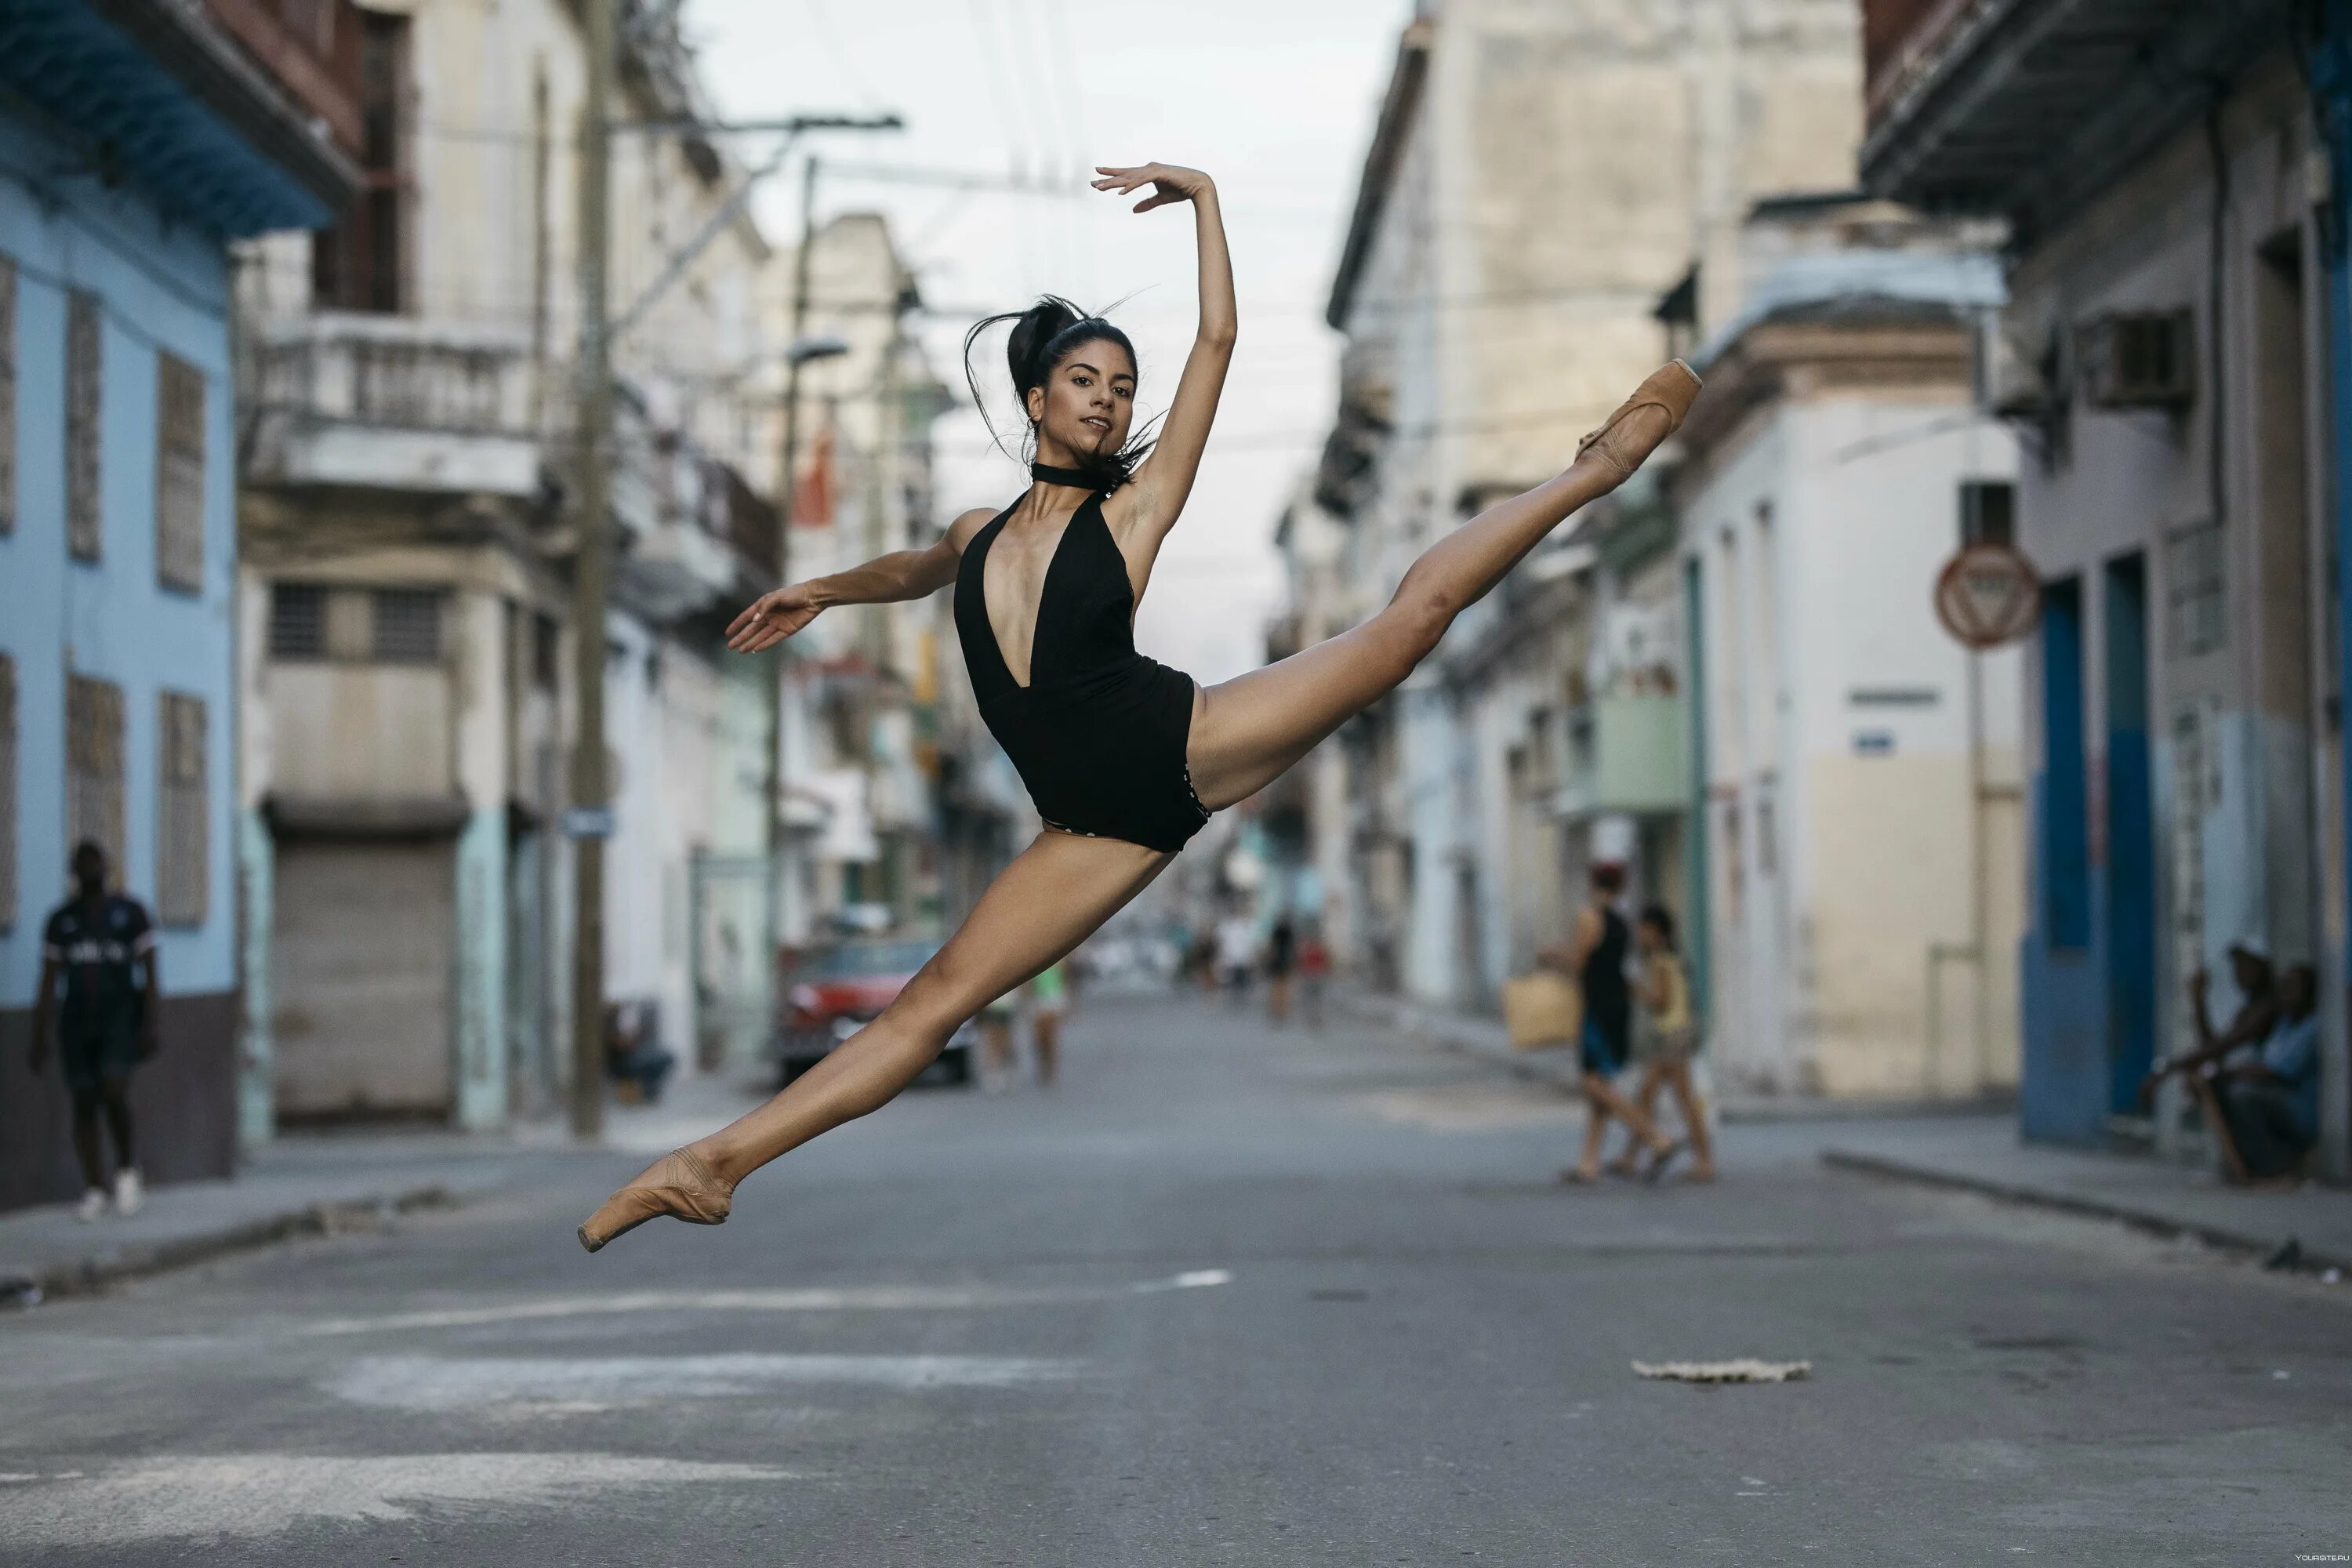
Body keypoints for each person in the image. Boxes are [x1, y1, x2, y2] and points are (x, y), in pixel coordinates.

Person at [578, 158, 1703, 1250]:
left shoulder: (1135, 514)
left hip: (1179, 743)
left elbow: (1217, 343)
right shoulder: (976, 533)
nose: (1110, 404)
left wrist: (1207, 199)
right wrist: (822, 588)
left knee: (1406, 629)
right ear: (1036, 398)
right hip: (1086, 826)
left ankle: (1587, 473)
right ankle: (711, 1166)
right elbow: (917, 567)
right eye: (1086, 383)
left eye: (1121, 390)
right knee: (925, 1011)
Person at [31, 843, 160, 1222]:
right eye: (82, 864)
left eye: (95, 863)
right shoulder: (62, 920)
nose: (90, 870)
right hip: (76, 1021)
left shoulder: (130, 914)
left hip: (119, 1017)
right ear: (73, 872)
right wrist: (40, 1033)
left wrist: (151, 1022)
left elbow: (150, 973)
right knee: (84, 1098)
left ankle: (125, 1169)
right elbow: (48, 980)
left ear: (107, 868)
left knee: (114, 1088)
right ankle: (93, 1186)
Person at [1541, 865, 1679, 1185]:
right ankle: (1588, 1163)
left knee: (1594, 1084)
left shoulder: (1589, 916)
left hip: (1599, 1008)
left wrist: (1550, 954)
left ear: (1593, 883)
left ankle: (1657, 1139)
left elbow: (1579, 960)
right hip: (1619, 1007)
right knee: (1599, 1085)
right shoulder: (1621, 922)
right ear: (1620, 888)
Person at [1606, 906, 1716, 1183]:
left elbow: (1661, 1001)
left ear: (1657, 932)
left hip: (1672, 1037)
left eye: (1645, 930)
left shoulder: (1660, 961)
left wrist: (1633, 990)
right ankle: (1632, 1155)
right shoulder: (1668, 958)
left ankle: (1704, 1160)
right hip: (1673, 1035)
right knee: (1647, 1095)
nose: (1641, 936)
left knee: (1683, 1099)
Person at [2186, 963, 2321, 1184]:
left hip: (2301, 1108)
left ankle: (2272, 1167)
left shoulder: (2313, 1028)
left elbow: (2273, 1069)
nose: (2283, 995)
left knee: (2244, 1095)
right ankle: (2238, 1164)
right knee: (2222, 1091)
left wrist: (2224, 1072)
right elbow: (2255, 1058)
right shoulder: (2284, 1024)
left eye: (2291, 988)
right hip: (2277, 1097)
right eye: (2281, 988)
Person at [2140, 938, 2278, 1109]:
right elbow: (2213, 1047)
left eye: (2245, 965)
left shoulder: (2268, 1006)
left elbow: (2222, 1046)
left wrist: (2166, 1070)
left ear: (2260, 967)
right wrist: (2198, 1002)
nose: (2239, 972)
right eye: (2237, 965)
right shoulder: (2248, 1008)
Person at [1030, 960, 1069, 1087]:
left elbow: (1065, 980)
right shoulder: (1034, 960)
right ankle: (1043, 1064)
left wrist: (1067, 1003)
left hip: (1053, 999)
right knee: (1040, 1038)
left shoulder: (1059, 961)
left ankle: (1051, 1067)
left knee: (1051, 1037)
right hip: (1038, 1000)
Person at [1214, 908, 1259, 1006]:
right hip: (1232, 956)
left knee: (1242, 978)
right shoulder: (1228, 926)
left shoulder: (1247, 926)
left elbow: (1251, 943)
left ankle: (1240, 995)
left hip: (1242, 957)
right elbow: (1221, 940)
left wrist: (1252, 956)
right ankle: (1233, 995)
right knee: (1232, 978)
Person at [1265, 913, 1298, 1025]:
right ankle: (1281, 1009)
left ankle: (1278, 1008)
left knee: (1278, 986)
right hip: (1284, 962)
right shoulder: (1288, 933)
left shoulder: (1278, 932)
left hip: (1279, 962)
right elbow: (1293, 948)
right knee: (1282, 987)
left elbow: (1272, 948)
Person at [1298, 923, 1331, 1031]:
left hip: (1313, 975)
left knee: (1314, 998)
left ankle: (1315, 1017)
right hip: (1315, 975)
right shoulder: (1317, 949)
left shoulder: (1309, 949)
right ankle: (1315, 1017)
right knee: (1315, 998)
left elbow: (1325, 961)